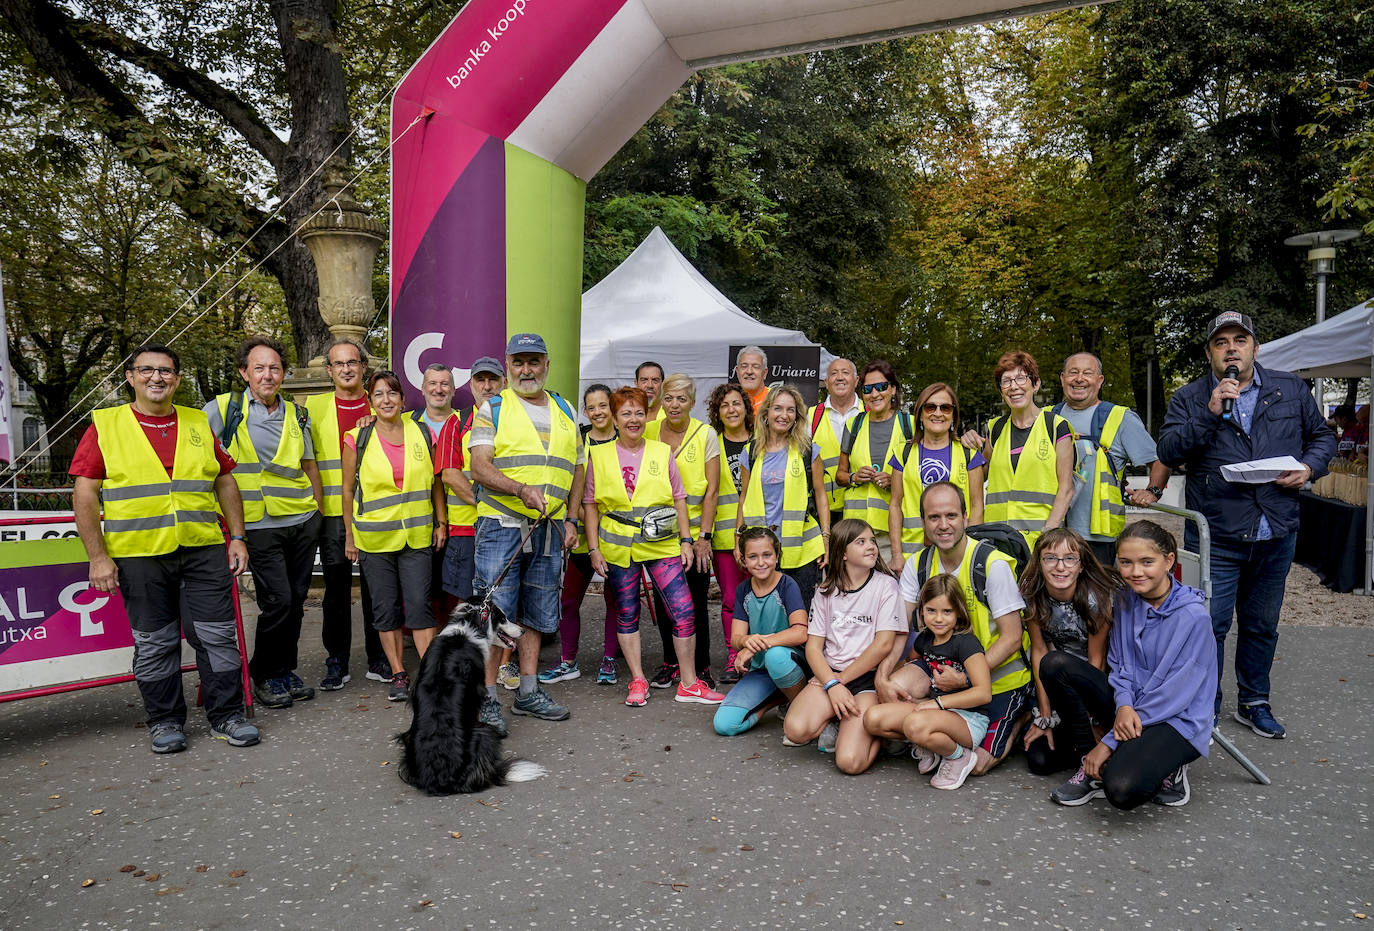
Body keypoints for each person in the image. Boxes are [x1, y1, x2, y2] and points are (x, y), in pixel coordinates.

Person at [71, 344, 259, 753]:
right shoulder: (106, 425)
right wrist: (98, 557)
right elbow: (85, 494)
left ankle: (226, 716)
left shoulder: (196, 421)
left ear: (176, 378)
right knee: (156, 642)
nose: (157, 377)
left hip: (203, 548)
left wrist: (238, 536)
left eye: (166, 371)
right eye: (147, 370)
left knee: (218, 636)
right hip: (139, 554)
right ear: (130, 377)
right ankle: (165, 721)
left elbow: (225, 480)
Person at [1157, 311, 1335, 739]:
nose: (1231, 348)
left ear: (1255, 347)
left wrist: (1310, 467)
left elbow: (1323, 436)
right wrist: (1211, 411)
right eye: (1222, 342)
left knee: (1261, 624)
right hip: (1217, 532)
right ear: (1210, 353)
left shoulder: (1290, 389)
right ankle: (1206, 707)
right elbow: (1169, 448)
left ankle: (1254, 702)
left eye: (1240, 340)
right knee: (1210, 625)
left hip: (1275, 528)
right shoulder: (1191, 397)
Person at [468, 333, 585, 734]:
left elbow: (578, 469)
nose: (526, 369)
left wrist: (572, 519)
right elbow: (479, 467)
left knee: (537, 611)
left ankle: (528, 693)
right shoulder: (493, 408)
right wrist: (518, 489)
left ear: (547, 365)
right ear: (508, 365)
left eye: (534, 361)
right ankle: (487, 699)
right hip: (502, 525)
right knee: (496, 614)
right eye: (518, 362)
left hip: (550, 526)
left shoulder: (566, 410)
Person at [583, 386, 724, 708]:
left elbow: (679, 497)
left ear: (647, 416)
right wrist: (593, 548)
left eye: (638, 413)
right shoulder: (598, 455)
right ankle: (637, 679)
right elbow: (590, 503)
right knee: (627, 613)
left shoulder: (661, 451)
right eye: (625, 414)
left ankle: (689, 682)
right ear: (615, 420)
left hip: (662, 544)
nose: (633, 419)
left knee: (684, 610)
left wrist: (687, 541)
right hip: (619, 547)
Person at [203, 337, 323, 708]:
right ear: (244, 372)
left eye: (274, 368)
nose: (268, 375)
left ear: (283, 373)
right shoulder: (223, 409)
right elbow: (200, 460)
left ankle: (284, 670)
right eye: (259, 368)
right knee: (279, 600)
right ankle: (263, 673)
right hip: (257, 524)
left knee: (296, 599)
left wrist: (316, 508)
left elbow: (307, 464)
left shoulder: (297, 413)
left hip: (301, 519)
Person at [1068, 521, 1217, 810]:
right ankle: (1091, 763)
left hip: (1174, 717)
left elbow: (1173, 697)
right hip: (1132, 707)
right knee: (1057, 665)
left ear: (1169, 561)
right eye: (1126, 562)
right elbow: (1120, 663)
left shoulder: (1194, 619)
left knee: (1122, 789)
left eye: (1147, 562)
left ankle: (1168, 769)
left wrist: (1109, 742)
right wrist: (1123, 705)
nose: (1136, 572)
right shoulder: (1125, 598)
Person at [890, 482, 1034, 776]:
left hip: (997, 680)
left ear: (966, 518)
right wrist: (882, 676)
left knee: (978, 766)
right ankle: (930, 729)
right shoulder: (917, 564)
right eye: (934, 517)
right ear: (923, 522)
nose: (944, 525)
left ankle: (1019, 716)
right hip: (945, 672)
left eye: (951, 516)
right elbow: (898, 629)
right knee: (895, 688)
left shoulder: (991, 565)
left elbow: (1011, 637)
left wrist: (968, 676)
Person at [341, 371, 446, 703]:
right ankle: (399, 673)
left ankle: (429, 675)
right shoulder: (356, 438)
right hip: (374, 540)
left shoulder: (422, 432)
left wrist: (440, 521)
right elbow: (346, 490)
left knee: (419, 607)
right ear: (370, 401)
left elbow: (435, 483)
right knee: (385, 610)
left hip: (416, 536)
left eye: (392, 393)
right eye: (378, 394)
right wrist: (349, 536)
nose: (386, 400)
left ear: (403, 399)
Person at [781, 519, 904, 774]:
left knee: (849, 763)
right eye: (861, 542)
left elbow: (883, 645)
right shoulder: (825, 591)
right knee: (795, 730)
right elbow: (814, 648)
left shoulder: (886, 585)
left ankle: (876, 734)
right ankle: (837, 720)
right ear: (843, 554)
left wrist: (840, 682)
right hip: (831, 676)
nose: (871, 546)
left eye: (872, 540)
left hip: (865, 680)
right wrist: (831, 683)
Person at [306, 337, 387, 689]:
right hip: (333, 514)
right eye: (338, 364)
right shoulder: (313, 407)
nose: (346, 369)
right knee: (336, 590)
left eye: (352, 362)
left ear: (363, 367)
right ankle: (336, 659)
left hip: (376, 511)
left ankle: (378, 656)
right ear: (329, 370)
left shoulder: (382, 403)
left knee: (376, 587)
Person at [1018, 528, 1119, 780]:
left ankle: (1091, 750)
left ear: (1081, 565)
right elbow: (1038, 652)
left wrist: (1091, 720)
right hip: (1057, 685)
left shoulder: (1095, 598)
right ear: (1039, 563)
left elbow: (1098, 660)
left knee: (1056, 662)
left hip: (1094, 687)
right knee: (1039, 761)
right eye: (1050, 558)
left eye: (1069, 559)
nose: (1060, 567)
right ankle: (1085, 754)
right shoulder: (1032, 594)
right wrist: (1045, 717)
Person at [1054, 352, 1172, 566]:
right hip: (1053, 531)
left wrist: (1152, 491)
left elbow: (1159, 461)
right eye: (1073, 373)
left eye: (1087, 373)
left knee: (1097, 598)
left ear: (1099, 381)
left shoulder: (1120, 418)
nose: (1079, 378)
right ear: (1063, 379)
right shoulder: (1047, 417)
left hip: (1098, 538)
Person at [539, 384, 619, 686]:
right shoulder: (579, 441)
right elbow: (575, 488)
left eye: (603, 405)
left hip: (615, 540)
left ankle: (610, 660)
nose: (598, 412)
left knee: (616, 602)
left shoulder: (625, 441)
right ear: (585, 412)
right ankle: (567, 661)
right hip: (582, 541)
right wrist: (582, 520)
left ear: (612, 407)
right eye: (592, 407)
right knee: (569, 601)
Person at [644, 374, 720, 690]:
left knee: (695, 600)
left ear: (692, 401)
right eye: (669, 398)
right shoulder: (648, 431)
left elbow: (713, 491)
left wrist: (704, 538)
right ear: (661, 400)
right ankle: (671, 662)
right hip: (659, 533)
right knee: (665, 601)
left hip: (695, 535)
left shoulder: (706, 434)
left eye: (682, 398)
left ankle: (700, 666)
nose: (675, 405)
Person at [962, 351, 1074, 547]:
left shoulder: (1056, 426)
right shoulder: (995, 429)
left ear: (1036, 384)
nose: (1014, 386)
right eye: (1006, 381)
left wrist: (1049, 535)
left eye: (1021, 378)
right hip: (997, 539)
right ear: (1001, 390)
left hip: (1039, 540)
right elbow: (980, 475)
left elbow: (1066, 489)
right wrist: (965, 445)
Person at [893, 575, 994, 791]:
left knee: (914, 725)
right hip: (938, 713)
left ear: (958, 612)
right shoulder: (924, 639)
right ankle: (931, 744)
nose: (938, 619)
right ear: (921, 611)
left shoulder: (966, 643)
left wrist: (937, 703)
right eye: (931, 610)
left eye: (946, 612)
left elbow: (984, 693)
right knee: (873, 719)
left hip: (969, 719)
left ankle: (959, 756)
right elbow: (909, 661)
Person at [736, 384, 831, 606]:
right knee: (769, 612)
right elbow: (744, 498)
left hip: (803, 550)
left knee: (802, 613)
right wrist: (738, 537)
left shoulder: (808, 450)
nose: (784, 415)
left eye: (791, 410)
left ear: (797, 416)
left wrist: (825, 539)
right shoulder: (750, 452)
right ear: (767, 413)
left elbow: (821, 496)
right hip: (762, 550)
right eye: (778, 408)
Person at [712, 527, 809, 735]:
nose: (761, 562)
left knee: (775, 656)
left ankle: (800, 704)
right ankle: (776, 700)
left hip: (789, 663)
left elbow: (801, 632)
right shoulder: (743, 590)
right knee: (725, 725)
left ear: (777, 555)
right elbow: (736, 639)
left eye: (767, 555)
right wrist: (747, 641)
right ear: (743, 560)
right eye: (753, 557)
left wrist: (755, 647)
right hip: (761, 671)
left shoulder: (787, 585)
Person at [887, 382, 985, 573]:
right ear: (920, 414)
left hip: (956, 553)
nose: (938, 413)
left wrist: (971, 554)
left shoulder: (969, 454)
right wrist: (896, 554)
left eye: (945, 408)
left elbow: (976, 507)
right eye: (930, 407)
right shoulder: (903, 453)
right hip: (911, 554)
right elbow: (895, 505)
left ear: (953, 415)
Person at [836, 360, 912, 564]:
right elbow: (840, 475)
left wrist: (895, 481)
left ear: (893, 389)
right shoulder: (854, 424)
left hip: (894, 533)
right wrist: (854, 477)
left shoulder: (910, 425)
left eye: (882, 387)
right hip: (856, 532)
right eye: (868, 389)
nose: (875, 394)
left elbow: (922, 478)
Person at [707, 382, 753, 682]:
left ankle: (759, 653)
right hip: (724, 537)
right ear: (717, 413)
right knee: (730, 600)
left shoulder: (762, 442)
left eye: (737, 403)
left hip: (760, 536)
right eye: (725, 405)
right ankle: (734, 654)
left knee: (763, 598)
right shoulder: (713, 445)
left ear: (747, 410)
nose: (731, 410)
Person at [408, 363, 461, 621]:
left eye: (444, 384)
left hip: (462, 516)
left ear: (453, 389)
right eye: (432, 383)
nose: (438, 390)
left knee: (456, 584)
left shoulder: (467, 422)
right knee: (424, 583)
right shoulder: (407, 423)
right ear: (422, 389)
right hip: (420, 516)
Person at [809, 358, 863, 529]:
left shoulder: (870, 413)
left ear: (856, 381)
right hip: (823, 513)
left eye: (845, 373)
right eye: (834, 373)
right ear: (826, 383)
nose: (840, 377)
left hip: (861, 510)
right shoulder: (811, 417)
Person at [735, 345, 770, 414]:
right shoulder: (729, 400)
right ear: (737, 371)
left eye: (756, 367)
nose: (749, 371)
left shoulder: (775, 399)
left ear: (765, 373)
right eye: (744, 366)